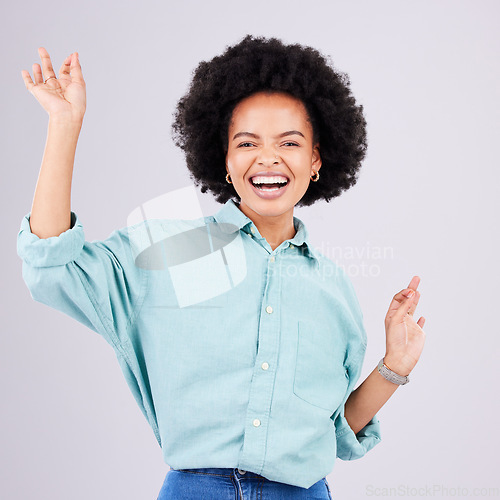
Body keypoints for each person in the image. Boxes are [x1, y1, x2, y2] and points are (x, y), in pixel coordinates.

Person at [18, 35, 426, 500]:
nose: (268, 157)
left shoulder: (332, 287)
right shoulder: (167, 251)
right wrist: (64, 125)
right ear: (226, 161)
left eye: (289, 143)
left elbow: (331, 433)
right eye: (247, 142)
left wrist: (394, 365)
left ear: (315, 160)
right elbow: (53, 266)